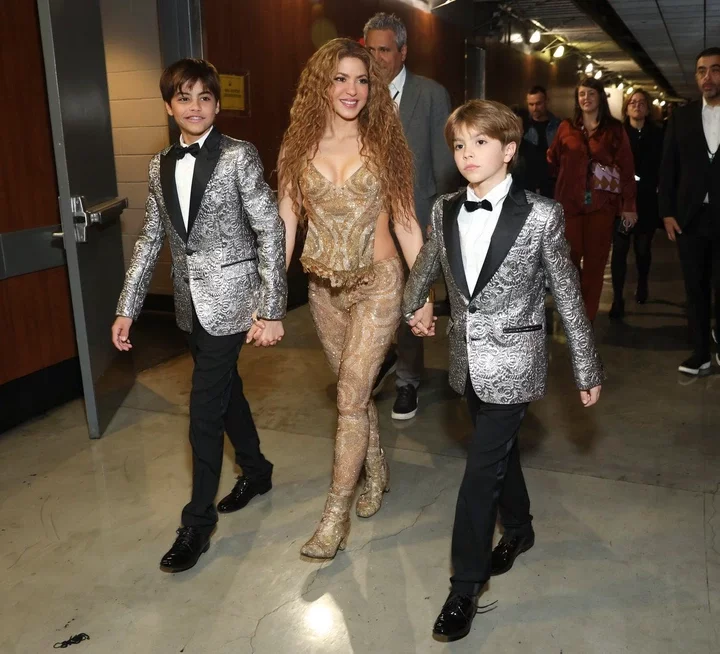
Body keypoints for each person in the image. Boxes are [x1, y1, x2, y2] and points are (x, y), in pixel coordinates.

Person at [403, 100, 604, 642]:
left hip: (515, 362)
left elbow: (567, 293)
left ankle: (465, 586)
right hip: (466, 361)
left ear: (509, 150)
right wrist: (414, 306)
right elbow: (423, 268)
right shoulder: (445, 208)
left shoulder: (541, 215)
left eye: (481, 143)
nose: (467, 154)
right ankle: (519, 528)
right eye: (459, 145)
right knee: (500, 454)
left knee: (477, 473)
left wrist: (586, 365)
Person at [112, 59, 287, 573]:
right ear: (168, 106)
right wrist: (129, 307)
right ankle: (255, 471)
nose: (195, 107)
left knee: (203, 410)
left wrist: (271, 307)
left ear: (217, 103)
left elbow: (269, 230)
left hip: (233, 300)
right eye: (184, 98)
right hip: (189, 304)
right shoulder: (158, 164)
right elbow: (150, 240)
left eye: (205, 98)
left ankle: (197, 522)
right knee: (225, 391)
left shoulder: (238, 157)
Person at [277, 38, 430, 559]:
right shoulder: (296, 146)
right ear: (321, 83)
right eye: (341, 78)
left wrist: (424, 291)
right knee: (354, 392)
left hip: (379, 284)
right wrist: (269, 296)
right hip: (323, 289)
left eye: (362, 80)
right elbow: (286, 225)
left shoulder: (387, 143)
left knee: (347, 398)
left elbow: (408, 222)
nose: (352, 90)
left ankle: (333, 516)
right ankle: (377, 465)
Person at [364, 12, 457, 420]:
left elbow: (444, 166)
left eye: (384, 50)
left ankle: (408, 381)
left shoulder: (430, 95)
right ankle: (375, 361)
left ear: (403, 52)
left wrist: (438, 219)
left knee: (410, 298)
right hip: (364, 221)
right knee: (370, 299)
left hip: (413, 218)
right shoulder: (356, 93)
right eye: (370, 50)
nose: (377, 58)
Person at [548, 76, 637, 322]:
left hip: (602, 206)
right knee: (569, 261)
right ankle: (573, 311)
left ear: (600, 98)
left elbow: (627, 169)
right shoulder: (566, 127)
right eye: (582, 94)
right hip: (570, 205)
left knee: (595, 266)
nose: (586, 98)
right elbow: (553, 159)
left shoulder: (614, 130)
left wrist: (629, 205)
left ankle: (585, 320)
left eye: (591, 94)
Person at [659, 47, 720, 375]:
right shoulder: (682, 117)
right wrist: (667, 211)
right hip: (690, 219)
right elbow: (668, 168)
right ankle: (700, 353)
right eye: (701, 71)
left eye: (714, 70)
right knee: (694, 288)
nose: (707, 77)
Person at [609, 88, 664, 318]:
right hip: (623, 201)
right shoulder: (618, 134)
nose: (637, 105)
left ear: (647, 108)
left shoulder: (658, 133)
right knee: (620, 250)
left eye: (641, 102)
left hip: (647, 200)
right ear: (627, 107)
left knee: (643, 249)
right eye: (633, 102)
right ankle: (617, 297)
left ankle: (642, 282)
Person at [523, 85, 561, 198]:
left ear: (546, 102)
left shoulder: (558, 126)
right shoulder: (524, 126)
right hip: (529, 182)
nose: (535, 108)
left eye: (538, 104)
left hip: (552, 182)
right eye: (531, 104)